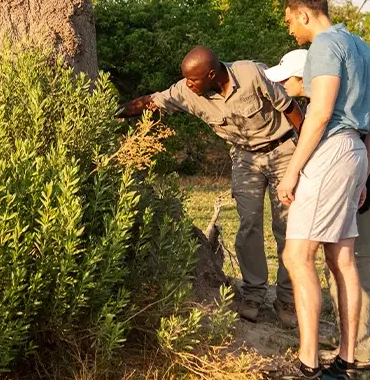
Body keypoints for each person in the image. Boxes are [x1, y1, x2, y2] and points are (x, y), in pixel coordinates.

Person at [116, 46, 305, 326]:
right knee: (249, 224)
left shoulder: (251, 73)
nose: (188, 84)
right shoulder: (186, 91)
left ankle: (287, 298)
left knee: (287, 227)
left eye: (193, 79)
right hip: (245, 157)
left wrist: (306, 150)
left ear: (212, 75)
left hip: (283, 150)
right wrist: (113, 113)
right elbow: (151, 102)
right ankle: (253, 294)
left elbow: (290, 108)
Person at [271, 0, 370, 380]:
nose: (290, 29)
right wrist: (362, 174)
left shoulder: (323, 45)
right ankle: (346, 364)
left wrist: (292, 172)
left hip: (330, 151)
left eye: (290, 20)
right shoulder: (365, 48)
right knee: (342, 258)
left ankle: (307, 368)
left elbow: (319, 114)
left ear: (304, 14)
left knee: (297, 255)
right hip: (356, 151)